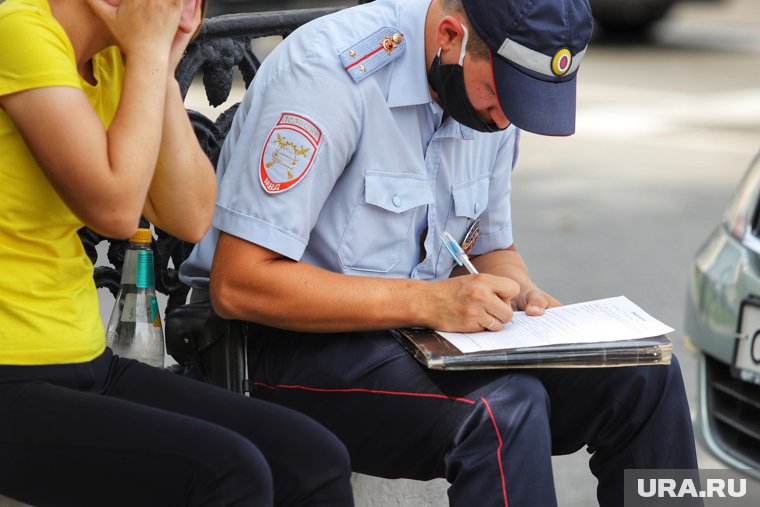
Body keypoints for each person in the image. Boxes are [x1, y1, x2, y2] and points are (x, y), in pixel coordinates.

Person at [179, 0, 700, 505]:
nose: (505, 119)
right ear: (452, 37)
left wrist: (526, 301)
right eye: (502, 97)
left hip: (426, 338)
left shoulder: (488, 88)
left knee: (646, 374)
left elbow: (493, 247)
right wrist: (432, 302)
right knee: (504, 409)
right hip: (283, 344)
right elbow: (240, 285)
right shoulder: (329, 76)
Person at [0, 1, 355, 506]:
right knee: (227, 473)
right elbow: (116, 210)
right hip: (11, 372)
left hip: (82, 360)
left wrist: (160, 67)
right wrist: (146, 53)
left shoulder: (111, 59)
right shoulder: (17, 30)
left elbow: (187, 214)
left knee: (313, 459)